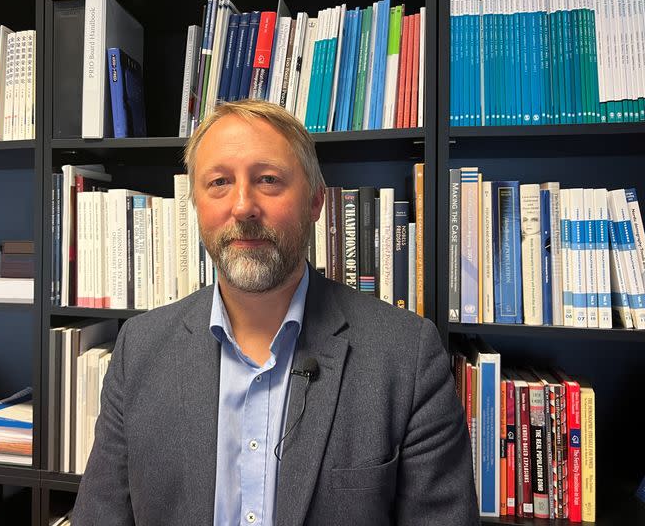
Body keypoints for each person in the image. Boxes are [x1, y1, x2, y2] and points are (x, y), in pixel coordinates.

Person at [72, 99, 478, 526]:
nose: (243, 206)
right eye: (219, 182)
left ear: (316, 202)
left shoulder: (406, 355)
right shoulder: (140, 349)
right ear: (196, 205)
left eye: (268, 180)